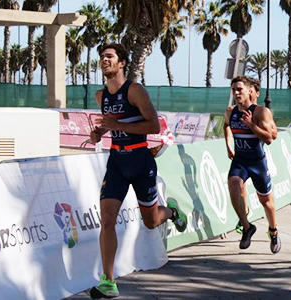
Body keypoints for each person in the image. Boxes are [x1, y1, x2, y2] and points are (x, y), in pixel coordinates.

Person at [89, 43, 188, 299]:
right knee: (107, 219)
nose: (103, 60)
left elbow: (153, 125)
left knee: (151, 220)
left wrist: (115, 123)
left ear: (122, 63)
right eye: (101, 56)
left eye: (109, 56)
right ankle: (108, 282)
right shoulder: (101, 96)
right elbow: (113, 126)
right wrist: (100, 132)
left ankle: (172, 211)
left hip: (141, 161)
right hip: (117, 163)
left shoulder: (135, 90)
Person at [224, 75, 281, 254]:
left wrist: (251, 125)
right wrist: (228, 145)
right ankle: (247, 226)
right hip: (240, 160)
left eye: (239, 89)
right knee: (233, 186)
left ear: (250, 91)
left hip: (257, 162)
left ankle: (273, 231)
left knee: (267, 202)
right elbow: (226, 125)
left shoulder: (260, 112)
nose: (236, 93)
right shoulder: (230, 111)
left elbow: (270, 138)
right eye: (233, 90)